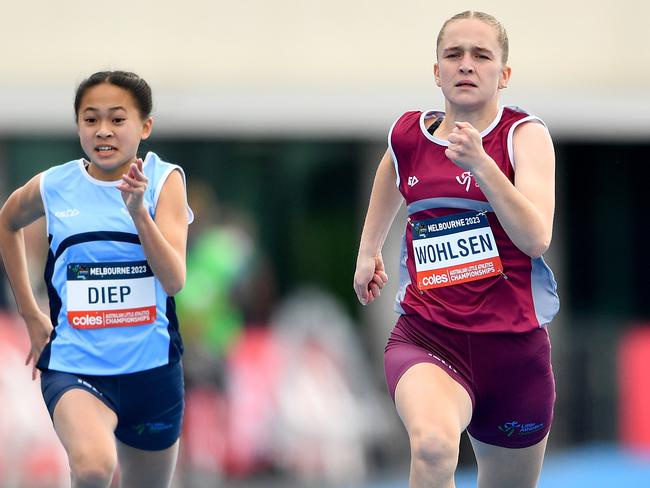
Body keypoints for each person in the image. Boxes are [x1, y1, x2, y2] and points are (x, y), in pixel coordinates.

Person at [353, 11, 559, 488]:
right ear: (437, 71)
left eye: (481, 55)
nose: (466, 64)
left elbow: (536, 238)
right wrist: (369, 248)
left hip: (514, 353)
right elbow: (392, 169)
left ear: (503, 74)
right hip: (428, 339)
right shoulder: (409, 135)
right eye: (454, 55)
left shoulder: (524, 137)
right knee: (432, 447)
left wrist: (483, 166)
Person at [0, 70, 192, 488]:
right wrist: (30, 312)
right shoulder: (55, 185)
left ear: (145, 126)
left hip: (152, 372)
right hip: (75, 366)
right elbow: (7, 222)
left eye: (117, 119)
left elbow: (174, 280)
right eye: (91, 119)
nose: (103, 131)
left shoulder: (165, 180)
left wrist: (139, 211)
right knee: (92, 467)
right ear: (78, 126)